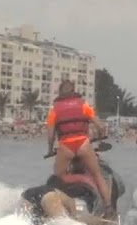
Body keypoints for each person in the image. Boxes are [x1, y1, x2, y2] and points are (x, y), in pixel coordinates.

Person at [45, 79, 113, 217]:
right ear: (73, 90)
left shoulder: (54, 110)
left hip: (66, 147)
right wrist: (100, 137)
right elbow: (100, 125)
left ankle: (58, 206)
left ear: (60, 92)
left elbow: (51, 134)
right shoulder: (83, 105)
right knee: (97, 175)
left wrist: (50, 149)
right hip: (83, 144)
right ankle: (108, 208)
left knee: (58, 177)